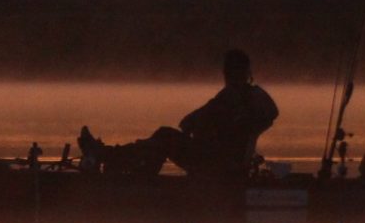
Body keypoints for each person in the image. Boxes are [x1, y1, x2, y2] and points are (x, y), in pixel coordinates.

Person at [79, 49, 278, 178]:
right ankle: (131, 169)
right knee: (164, 136)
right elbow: (270, 114)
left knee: (165, 136)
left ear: (228, 72)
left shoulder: (229, 97)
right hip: (221, 164)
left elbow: (187, 123)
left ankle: (108, 157)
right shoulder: (253, 97)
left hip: (217, 169)